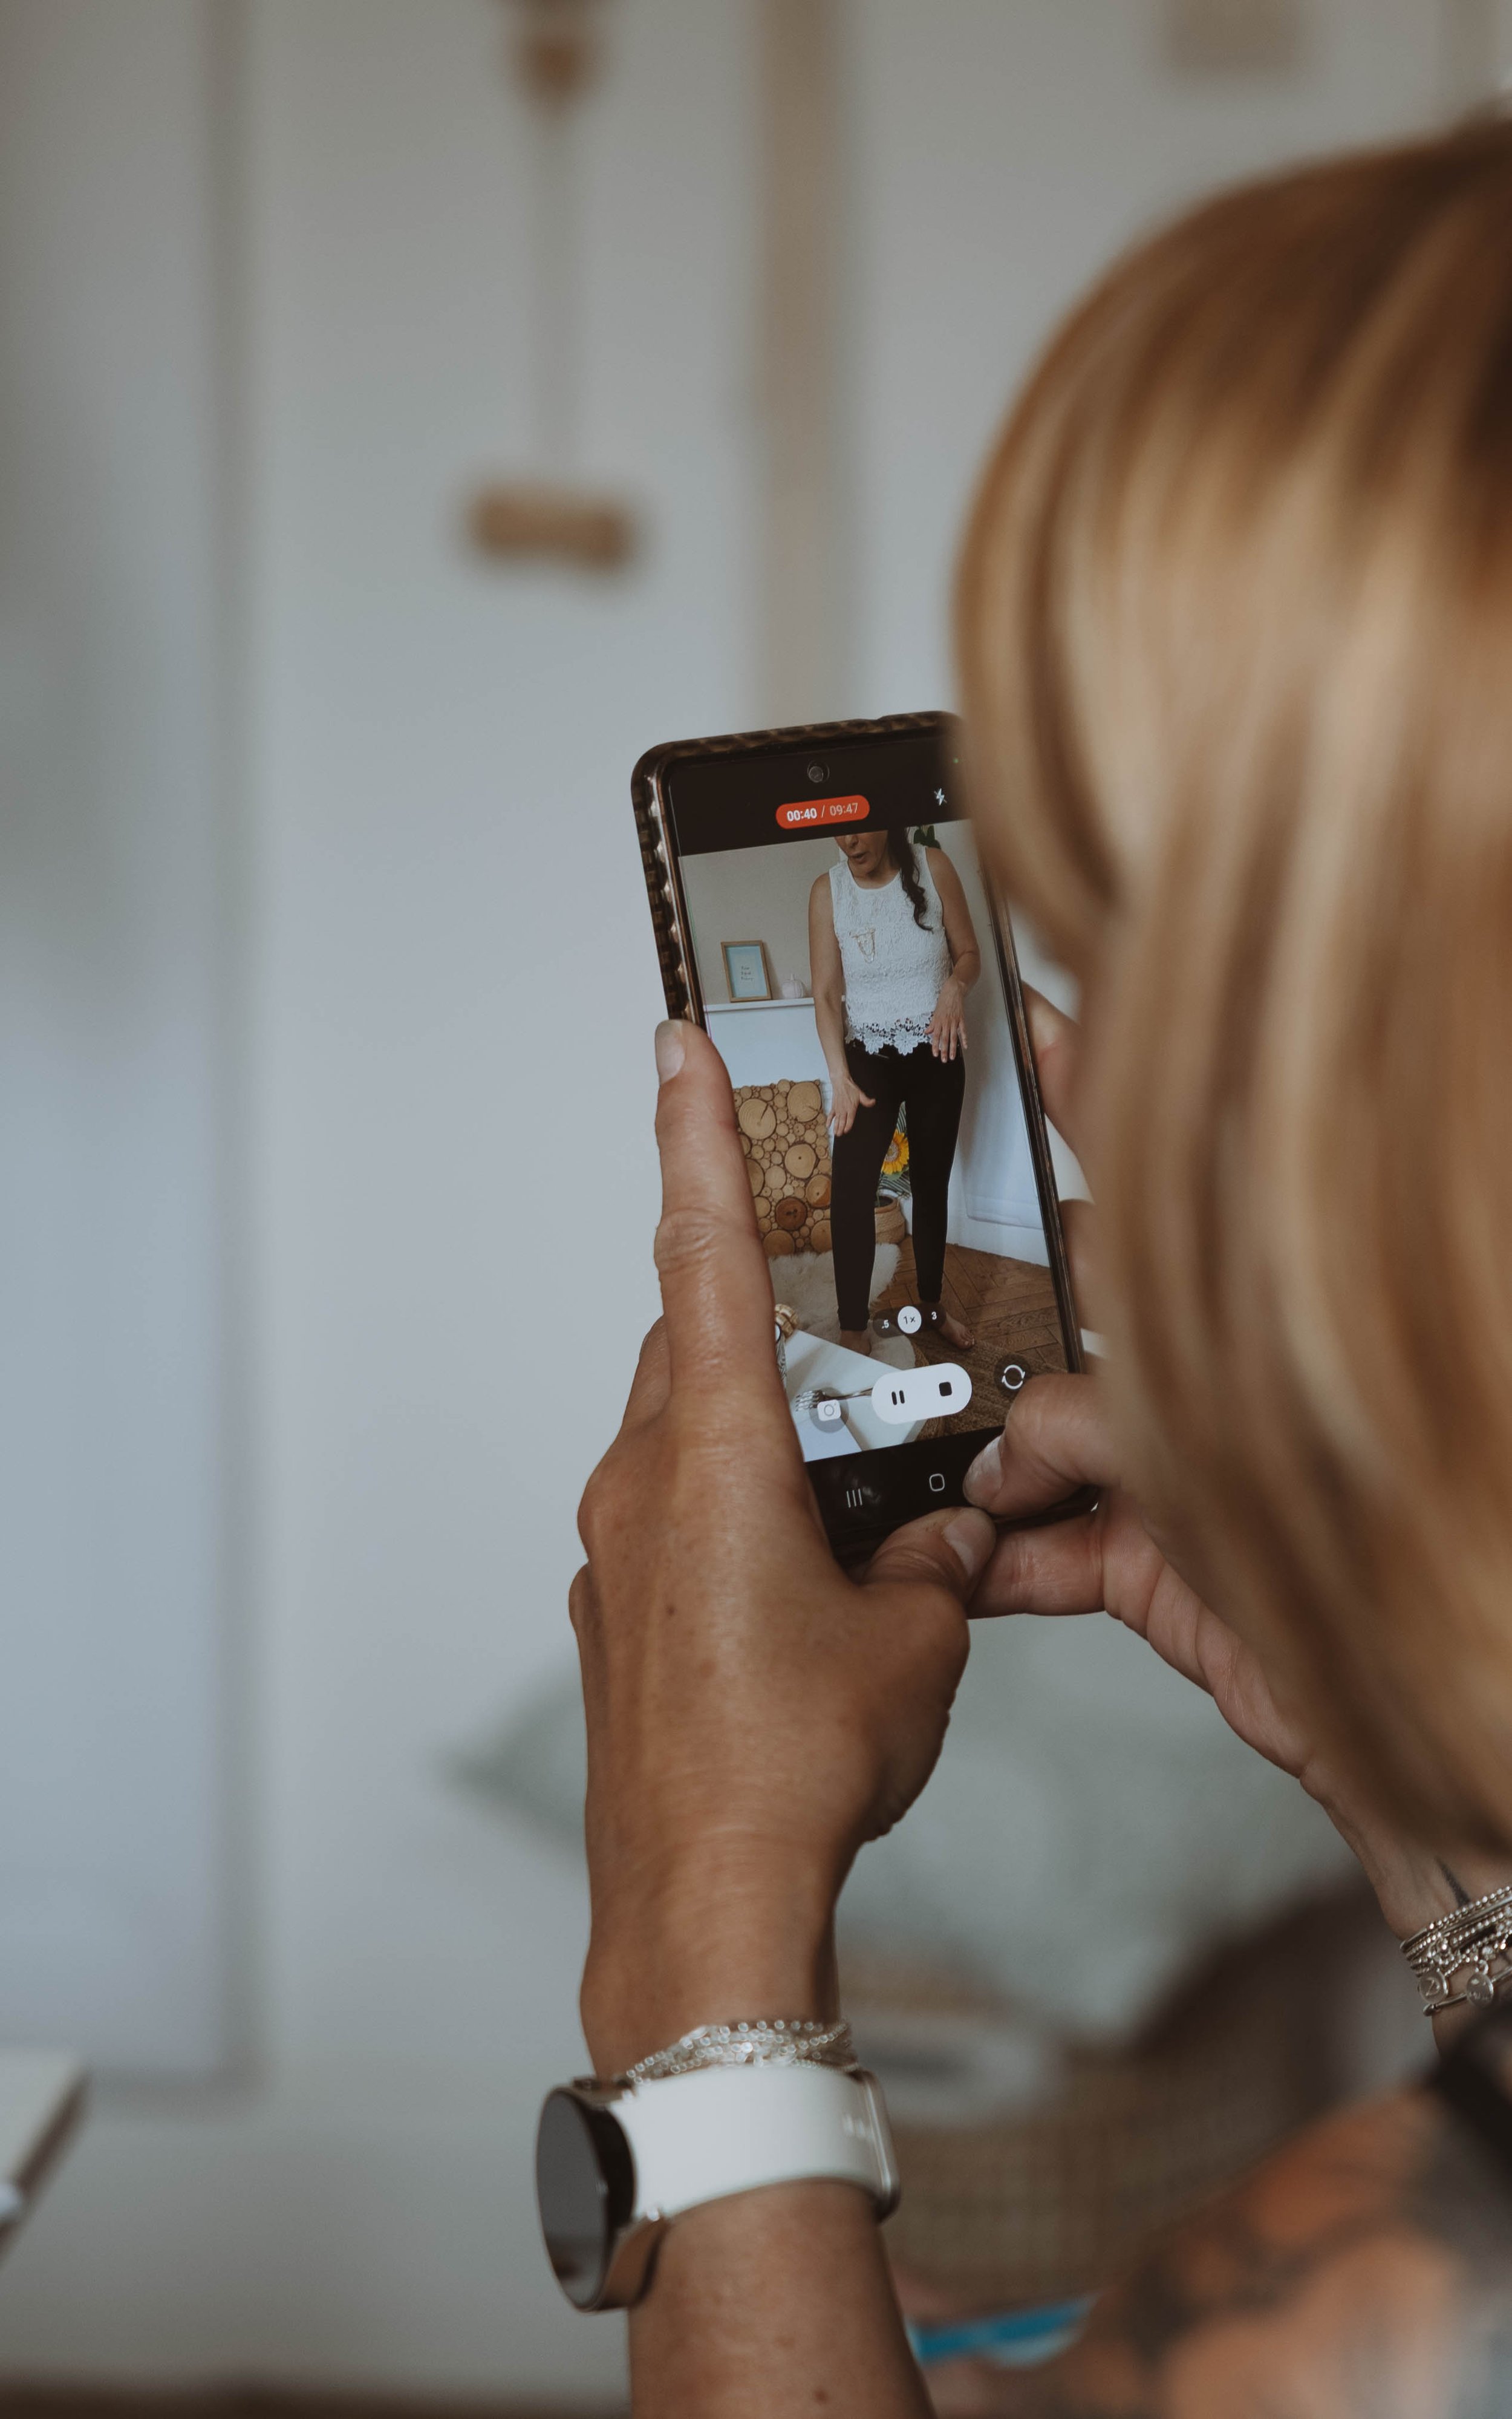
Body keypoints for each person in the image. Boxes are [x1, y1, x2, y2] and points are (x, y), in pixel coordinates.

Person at [569, 118, 1512, 2415]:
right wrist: (1456, 1841)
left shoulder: (1360, 2320)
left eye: (1188, 950)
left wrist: (699, 1948)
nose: (1130, 1090)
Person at [808, 826, 981, 1354]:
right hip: (867, 1061)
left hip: (938, 1052)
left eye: (858, 829)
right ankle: (853, 1328)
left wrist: (955, 986)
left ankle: (932, 1304)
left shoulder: (935, 866)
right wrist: (839, 1075)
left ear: (884, 819)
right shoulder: (827, 891)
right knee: (851, 1190)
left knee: (931, 1184)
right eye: (837, 833)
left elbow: (969, 953)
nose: (849, 843)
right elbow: (827, 995)